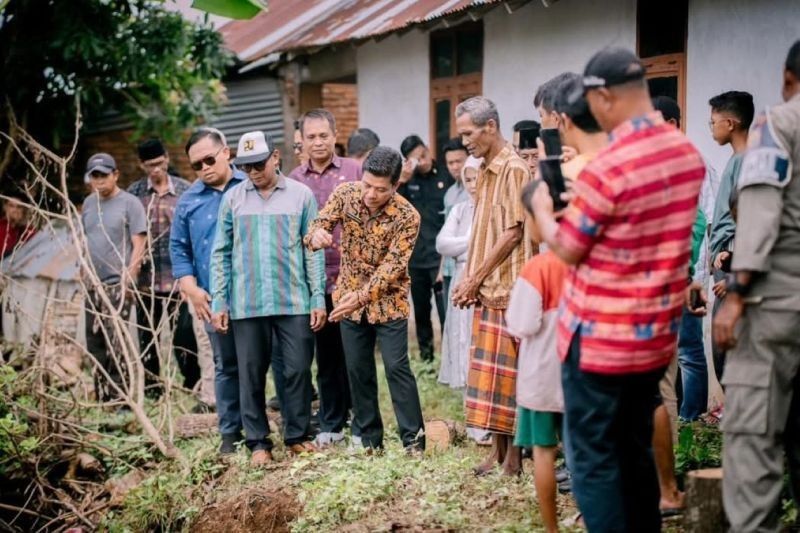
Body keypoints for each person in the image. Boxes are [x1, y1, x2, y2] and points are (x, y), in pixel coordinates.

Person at [530, 48, 705, 531]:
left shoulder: (611, 165)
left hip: (600, 339)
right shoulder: (686, 154)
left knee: (594, 461)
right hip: (654, 335)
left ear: (605, 95)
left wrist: (545, 211)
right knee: (634, 452)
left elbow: (567, 248)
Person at [713, 40, 800, 532]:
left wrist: (738, 293)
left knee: (753, 443)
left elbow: (761, 214)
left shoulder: (779, 123)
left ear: (788, 77)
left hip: (778, 307)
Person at [210, 131, 325, 466]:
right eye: (246, 167)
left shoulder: (301, 196)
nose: (254, 172)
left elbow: (313, 250)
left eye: (259, 164)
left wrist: (317, 295)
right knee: (250, 373)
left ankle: (297, 436)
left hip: (293, 300)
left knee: (297, 370)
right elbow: (221, 252)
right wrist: (221, 300)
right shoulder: (233, 199)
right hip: (247, 302)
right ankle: (258, 441)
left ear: (275, 157)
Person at [305, 146, 425, 452]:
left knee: (397, 368)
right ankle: (369, 439)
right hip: (349, 304)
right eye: (367, 185)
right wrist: (316, 234)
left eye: (380, 189)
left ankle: (414, 440)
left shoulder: (408, 216)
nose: (370, 194)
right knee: (358, 370)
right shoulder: (346, 194)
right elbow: (319, 224)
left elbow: (392, 269)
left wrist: (358, 298)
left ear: (396, 185)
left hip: (389, 302)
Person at [452, 96, 534, 476]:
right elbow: (482, 231)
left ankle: (515, 458)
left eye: (469, 133)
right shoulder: (483, 169)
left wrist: (475, 277)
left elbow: (513, 233)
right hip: (487, 286)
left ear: (490, 127)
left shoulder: (514, 168)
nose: (465, 141)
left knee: (510, 377)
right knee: (491, 379)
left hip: (509, 286)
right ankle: (498, 454)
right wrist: (472, 279)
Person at [171, 127, 247, 455]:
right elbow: (179, 248)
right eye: (196, 165)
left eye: (209, 160)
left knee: (264, 362)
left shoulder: (252, 186)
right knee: (225, 365)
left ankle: (268, 430)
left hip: (256, 295)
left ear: (227, 153)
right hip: (213, 299)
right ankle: (230, 434)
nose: (203, 169)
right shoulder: (188, 201)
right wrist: (190, 287)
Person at [289, 108, 361, 448]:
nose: (318, 142)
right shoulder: (292, 181)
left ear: (335, 136)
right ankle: (332, 423)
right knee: (327, 355)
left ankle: (363, 420)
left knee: (357, 355)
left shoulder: (356, 171)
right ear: (301, 141)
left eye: (323, 136)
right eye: (311, 137)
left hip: (354, 282)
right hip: (313, 285)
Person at [510, 180, 570, 533]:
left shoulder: (538, 267)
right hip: (584, 376)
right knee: (587, 453)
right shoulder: (591, 260)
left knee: (544, 451)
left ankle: (552, 528)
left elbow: (521, 323)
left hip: (542, 378)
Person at [127, 139, 202, 401]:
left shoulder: (185, 189)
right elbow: (130, 236)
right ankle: (153, 391)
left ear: (167, 159)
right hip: (147, 282)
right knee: (147, 339)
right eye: (150, 166)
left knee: (184, 338)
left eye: (159, 164)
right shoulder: (134, 193)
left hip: (178, 282)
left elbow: (194, 233)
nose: (156, 170)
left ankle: (193, 385)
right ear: (142, 165)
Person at [81, 153, 147, 402]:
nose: (99, 180)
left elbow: (139, 243)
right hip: (92, 283)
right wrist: (83, 273)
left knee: (116, 340)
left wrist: (129, 277)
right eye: (94, 175)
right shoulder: (88, 204)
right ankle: (103, 393)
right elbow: (85, 241)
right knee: (94, 340)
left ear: (115, 175)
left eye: (103, 175)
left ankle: (121, 397)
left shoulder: (130, 203)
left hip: (117, 283)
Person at [708, 90, 754, 383]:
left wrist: (735, 275)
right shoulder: (737, 160)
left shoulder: (747, 163)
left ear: (730, 123)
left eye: (712, 122)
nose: (710, 128)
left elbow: (753, 224)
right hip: (726, 268)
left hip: (734, 275)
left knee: (730, 355)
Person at [397, 134, 453, 363]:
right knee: (421, 314)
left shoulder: (446, 175)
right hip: (416, 259)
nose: (422, 161)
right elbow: (395, 209)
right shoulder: (406, 182)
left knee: (445, 312)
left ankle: (450, 361)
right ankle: (427, 360)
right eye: (415, 159)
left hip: (440, 258)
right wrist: (402, 180)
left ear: (428, 149)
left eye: (423, 155)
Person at [440, 138, 470, 301]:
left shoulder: (475, 190)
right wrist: (440, 269)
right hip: (448, 269)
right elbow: (446, 232)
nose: (455, 167)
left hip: (467, 266)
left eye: (459, 161)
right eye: (450, 163)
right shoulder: (449, 193)